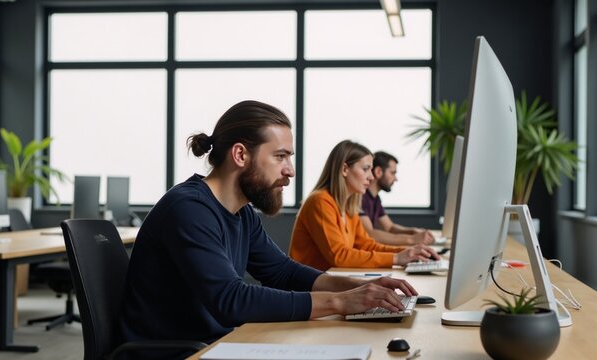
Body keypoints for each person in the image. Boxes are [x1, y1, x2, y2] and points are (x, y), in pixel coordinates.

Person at [119, 101, 418, 356]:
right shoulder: (188, 208)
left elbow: (283, 272)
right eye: (280, 156)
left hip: (217, 344)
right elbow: (230, 300)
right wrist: (340, 301)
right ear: (240, 155)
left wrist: (363, 287)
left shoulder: (242, 213)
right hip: (178, 353)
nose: (290, 170)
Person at [289, 140, 439, 271]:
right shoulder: (320, 202)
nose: (372, 177)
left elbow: (367, 245)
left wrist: (407, 252)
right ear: (345, 169)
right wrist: (396, 258)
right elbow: (339, 256)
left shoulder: (348, 207)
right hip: (307, 291)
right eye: (366, 169)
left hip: (329, 283)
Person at [360, 151, 436, 246]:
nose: (395, 178)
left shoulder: (375, 198)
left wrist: (413, 232)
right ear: (378, 172)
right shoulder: (360, 197)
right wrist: (412, 239)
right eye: (392, 173)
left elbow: (390, 227)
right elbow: (370, 233)